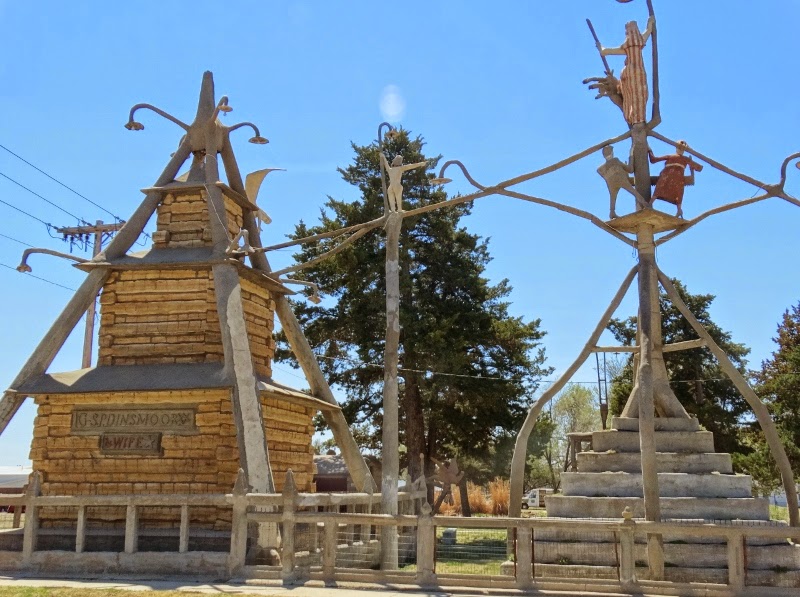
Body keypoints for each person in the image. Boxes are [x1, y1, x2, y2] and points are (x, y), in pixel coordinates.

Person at [599, 17, 655, 125]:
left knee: (634, 96)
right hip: (637, 74)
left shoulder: (630, 46)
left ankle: (635, 120)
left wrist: (601, 47)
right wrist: (650, 23)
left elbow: (605, 51)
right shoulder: (639, 42)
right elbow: (648, 31)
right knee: (638, 96)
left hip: (631, 74)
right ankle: (637, 120)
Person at [648, 141, 703, 218]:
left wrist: (649, 150)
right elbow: (699, 168)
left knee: (659, 190)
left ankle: (650, 203)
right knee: (678, 193)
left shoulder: (671, 157)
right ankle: (679, 210)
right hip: (677, 181)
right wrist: (691, 164)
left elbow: (653, 160)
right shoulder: (685, 159)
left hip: (666, 179)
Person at [597, 145, 647, 219]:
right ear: (612, 152)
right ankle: (645, 204)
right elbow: (630, 169)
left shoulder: (601, 169)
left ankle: (612, 212)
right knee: (634, 192)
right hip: (622, 180)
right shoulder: (615, 160)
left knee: (613, 197)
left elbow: (600, 171)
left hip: (612, 185)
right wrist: (631, 154)